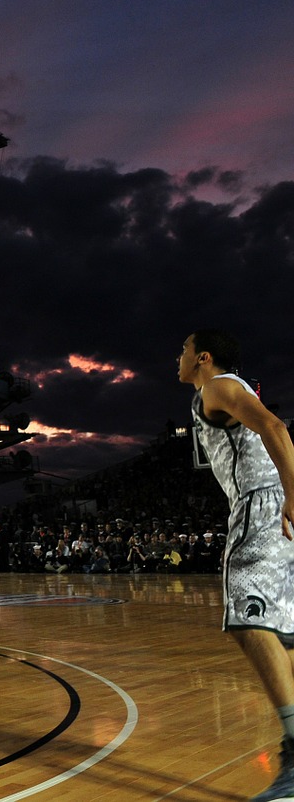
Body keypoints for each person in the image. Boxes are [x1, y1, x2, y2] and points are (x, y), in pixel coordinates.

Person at [179, 329, 294, 802]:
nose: (177, 358)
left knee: (247, 620)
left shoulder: (217, 386)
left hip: (261, 508)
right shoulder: (225, 390)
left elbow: (277, 428)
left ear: (202, 358)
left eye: (183, 351)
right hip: (274, 506)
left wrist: (291, 497)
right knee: (282, 634)